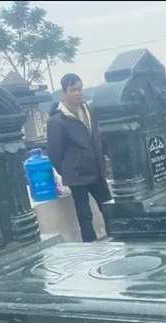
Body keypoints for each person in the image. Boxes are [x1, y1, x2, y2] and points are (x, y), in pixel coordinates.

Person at [46, 73, 112, 242]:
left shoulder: (90, 111)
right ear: (64, 92)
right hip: (77, 175)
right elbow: (55, 153)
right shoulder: (57, 120)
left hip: (97, 170)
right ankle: (90, 246)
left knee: (108, 207)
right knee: (84, 215)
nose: (77, 93)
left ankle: (117, 238)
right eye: (73, 90)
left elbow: (100, 138)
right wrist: (68, 170)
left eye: (79, 89)